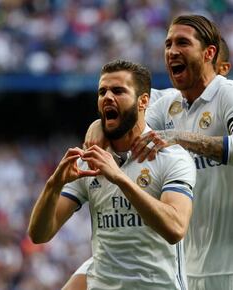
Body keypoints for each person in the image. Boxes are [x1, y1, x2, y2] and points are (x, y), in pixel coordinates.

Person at [131, 15, 233, 289]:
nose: (171, 51)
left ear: (209, 53)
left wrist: (179, 137)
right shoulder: (165, 105)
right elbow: (124, 112)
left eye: (182, 43)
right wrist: (98, 126)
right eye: (167, 44)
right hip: (191, 273)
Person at [28, 59, 196, 289]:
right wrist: (53, 185)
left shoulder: (171, 157)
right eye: (102, 91)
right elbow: (40, 234)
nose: (107, 97)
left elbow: (175, 229)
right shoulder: (89, 160)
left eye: (118, 91)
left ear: (143, 101)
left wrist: (119, 177)